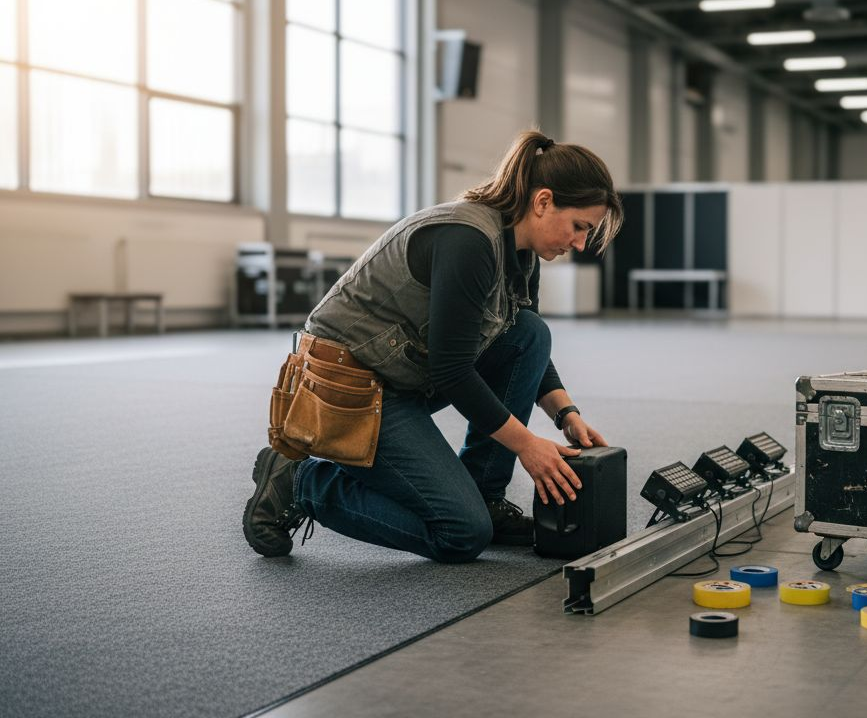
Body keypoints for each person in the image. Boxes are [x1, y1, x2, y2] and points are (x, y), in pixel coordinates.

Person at [242, 130, 623, 562]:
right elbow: (453, 371)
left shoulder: (523, 251)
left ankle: (485, 495)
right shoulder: (468, 241)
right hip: (347, 388)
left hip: (403, 375)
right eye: (579, 227)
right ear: (542, 202)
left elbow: (520, 340)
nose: (578, 243)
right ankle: (300, 482)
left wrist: (565, 414)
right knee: (460, 533)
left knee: (530, 331)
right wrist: (526, 445)